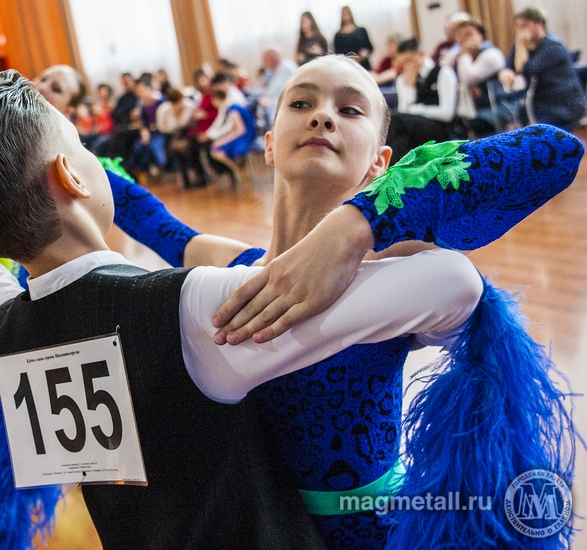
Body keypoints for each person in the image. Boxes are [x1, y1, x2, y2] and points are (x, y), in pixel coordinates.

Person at [0, 68, 500, 550]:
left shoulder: (6, 326)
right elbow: (453, 279)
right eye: (83, 147)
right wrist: (358, 228)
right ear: (71, 174)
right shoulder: (195, 307)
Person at [109, 55, 581, 549]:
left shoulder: (392, 265)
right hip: (257, 525)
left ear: (379, 163)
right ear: (268, 145)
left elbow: (554, 151)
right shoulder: (231, 265)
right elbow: (143, 212)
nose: (323, 116)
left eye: (350, 110)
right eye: (301, 102)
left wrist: (357, 224)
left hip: (374, 532)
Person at [498, 7, 586, 130]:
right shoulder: (522, 46)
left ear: (540, 24)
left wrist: (520, 43)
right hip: (540, 103)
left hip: (563, 104)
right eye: (518, 26)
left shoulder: (552, 46)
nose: (520, 31)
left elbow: (524, 69)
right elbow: (508, 67)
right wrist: (505, 74)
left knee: (537, 130)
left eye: (525, 25)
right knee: (520, 118)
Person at [387, 37, 457, 164]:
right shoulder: (402, 80)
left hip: (440, 127)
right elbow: (404, 110)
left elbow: (447, 114)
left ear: (421, 54)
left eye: (409, 60)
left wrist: (417, 109)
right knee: (400, 143)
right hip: (415, 129)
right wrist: (409, 86)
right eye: (403, 62)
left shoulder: (443, 73)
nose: (406, 66)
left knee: (395, 119)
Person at [452, 20, 506, 137]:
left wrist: (465, 53)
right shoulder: (459, 57)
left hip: (498, 108)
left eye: (469, 34)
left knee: (465, 130)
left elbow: (468, 78)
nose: (464, 39)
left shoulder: (491, 54)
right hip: (472, 111)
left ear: (480, 35)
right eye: (460, 36)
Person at [156, 87, 205, 188]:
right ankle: (187, 178)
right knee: (177, 149)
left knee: (187, 148)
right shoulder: (163, 110)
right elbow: (162, 128)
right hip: (171, 136)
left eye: (180, 101)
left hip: (188, 135)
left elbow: (195, 122)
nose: (180, 105)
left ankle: (199, 176)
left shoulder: (190, 106)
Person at [206, 88, 257, 182]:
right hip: (241, 134)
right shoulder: (228, 108)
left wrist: (222, 141)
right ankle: (237, 170)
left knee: (216, 150)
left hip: (245, 136)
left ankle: (237, 170)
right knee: (215, 149)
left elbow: (240, 130)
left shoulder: (233, 110)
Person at [248, 48, 297, 125]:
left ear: (272, 59)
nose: (262, 63)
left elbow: (275, 93)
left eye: (264, 59)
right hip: (270, 103)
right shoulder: (270, 71)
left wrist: (263, 95)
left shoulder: (286, 69)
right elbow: (256, 88)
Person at [333, 6, 373, 70]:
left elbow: (369, 46)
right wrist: (350, 59)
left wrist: (365, 53)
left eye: (347, 14)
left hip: (363, 64)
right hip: (348, 67)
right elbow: (337, 53)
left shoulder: (361, 30)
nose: (346, 17)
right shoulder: (338, 36)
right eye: (344, 14)